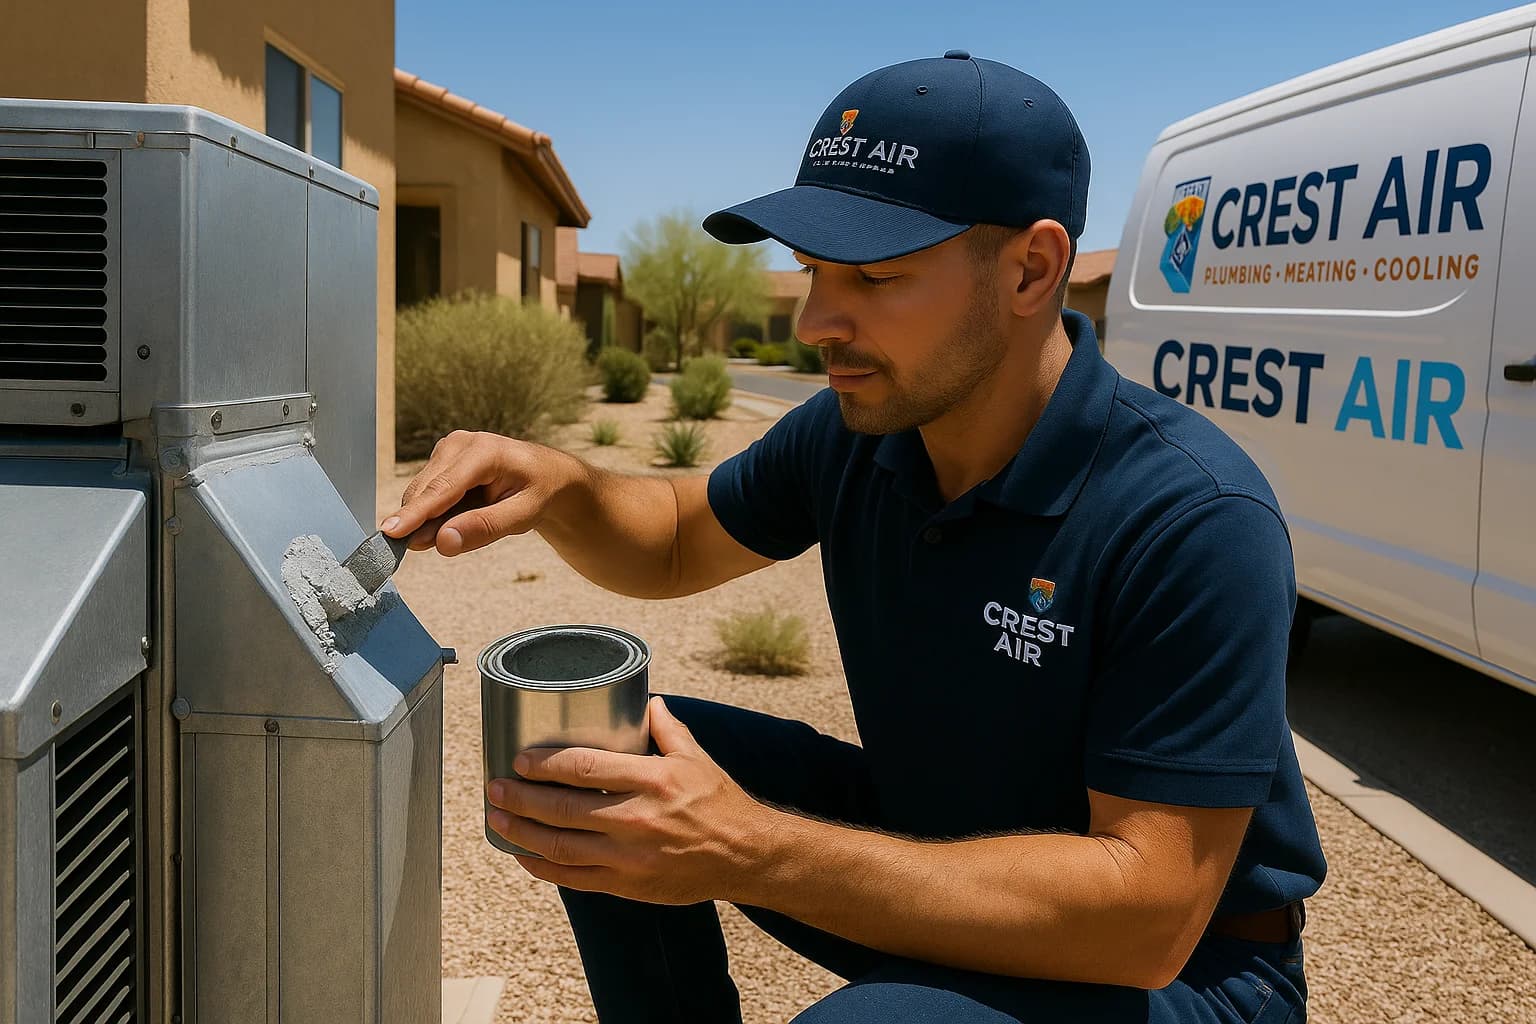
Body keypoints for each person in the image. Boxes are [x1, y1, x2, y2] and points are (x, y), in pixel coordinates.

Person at [383, 50, 1328, 1024]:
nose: (815, 321)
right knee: (605, 761)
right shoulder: (857, 430)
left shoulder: (1193, 518)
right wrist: (565, 484)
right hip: (941, 849)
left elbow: (1146, 917)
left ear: (1032, 269)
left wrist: (752, 848)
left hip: (1187, 971)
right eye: (812, 271)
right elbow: (672, 537)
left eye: (875, 276)